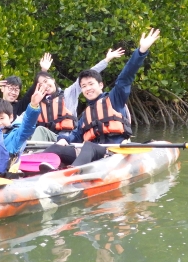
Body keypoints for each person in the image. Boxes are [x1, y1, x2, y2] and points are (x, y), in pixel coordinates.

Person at [43, 28, 161, 169]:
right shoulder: (86, 115)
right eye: (83, 86)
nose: (87, 88)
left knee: (89, 146)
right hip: (91, 154)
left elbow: (126, 77)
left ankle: (73, 173)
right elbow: (75, 136)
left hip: (113, 153)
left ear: (100, 85)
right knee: (56, 148)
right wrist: (63, 140)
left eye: (91, 84)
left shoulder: (114, 99)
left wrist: (141, 51)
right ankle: (29, 169)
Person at [17, 48, 126, 136]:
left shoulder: (69, 93)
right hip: (45, 140)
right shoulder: (38, 102)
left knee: (40, 130)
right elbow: (23, 118)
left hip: (67, 138)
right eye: (41, 84)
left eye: (46, 81)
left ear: (53, 80)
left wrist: (106, 60)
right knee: (34, 130)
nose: (45, 86)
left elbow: (88, 75)